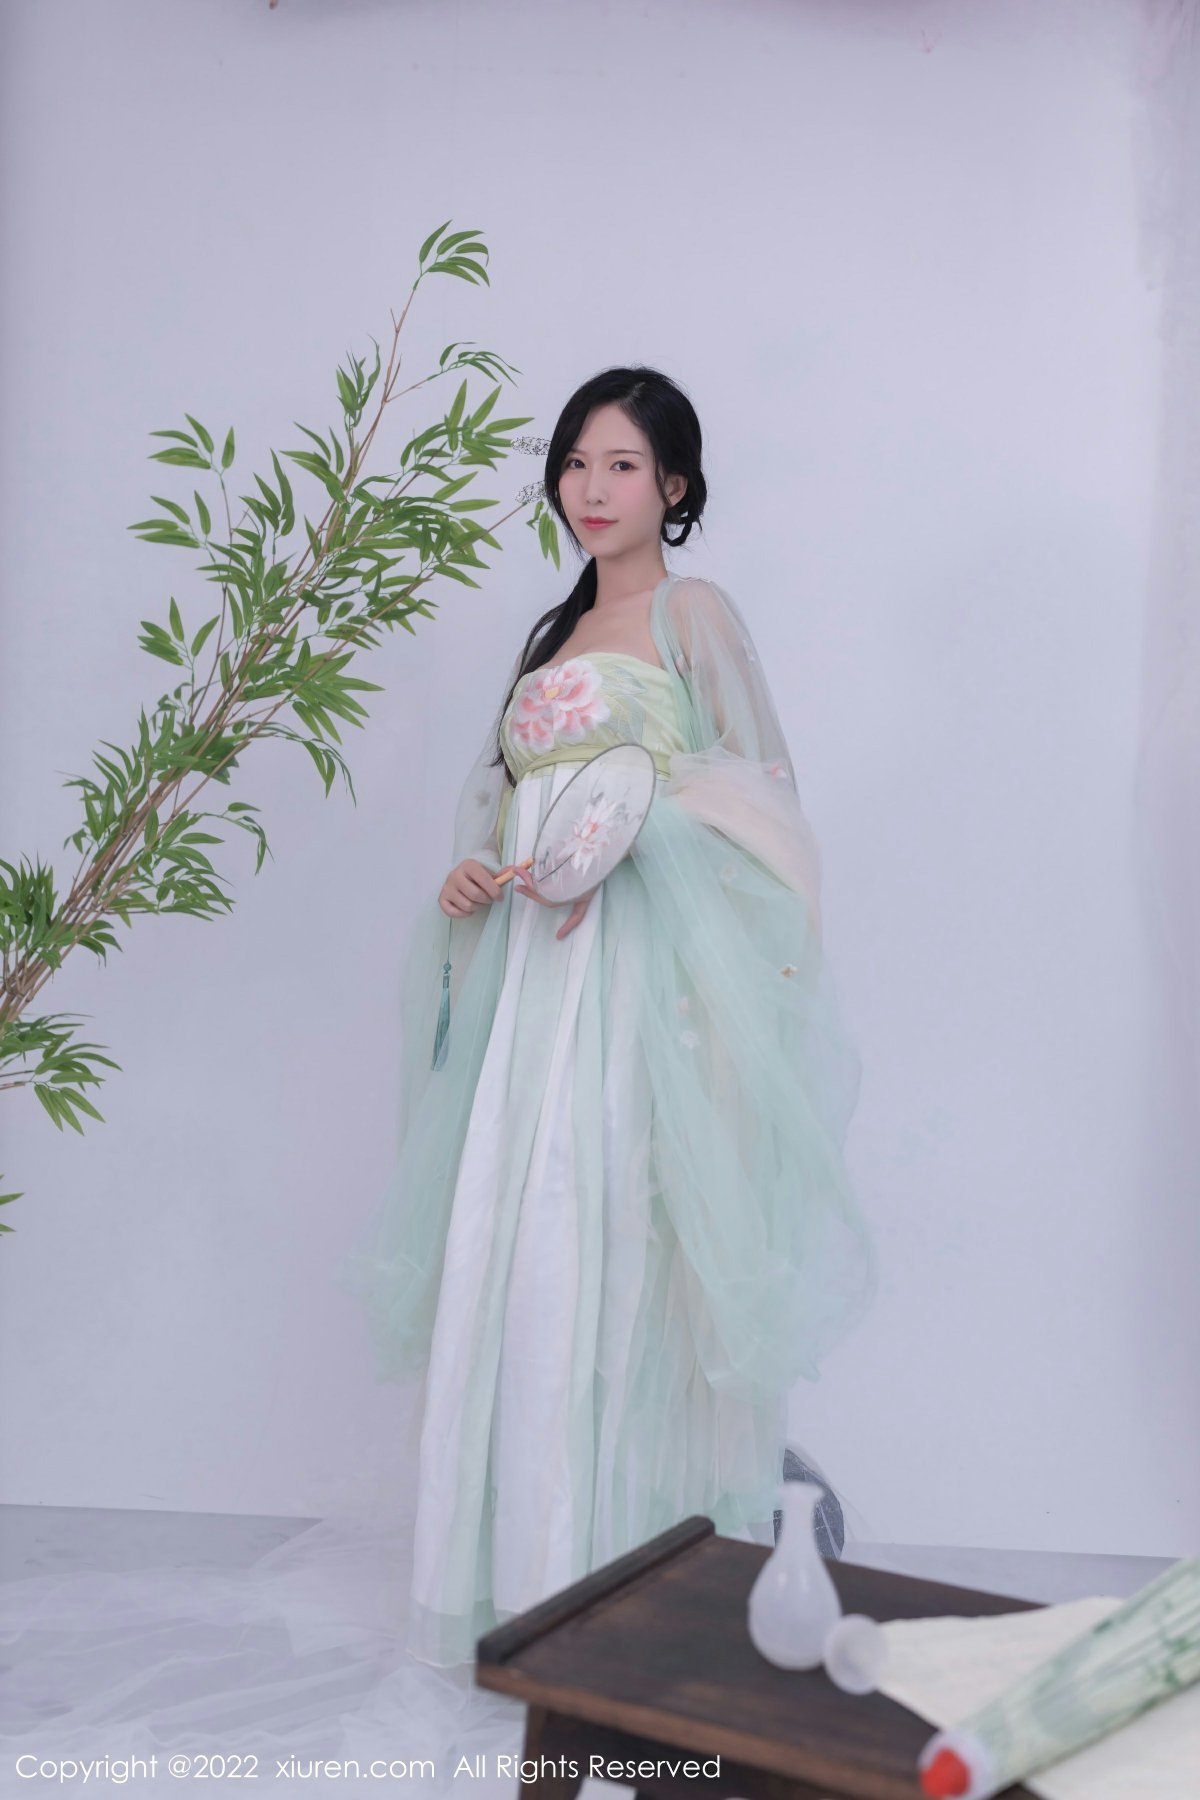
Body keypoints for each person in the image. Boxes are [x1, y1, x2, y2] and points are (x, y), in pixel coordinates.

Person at [336, 364, 877, 1669]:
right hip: (535, 982)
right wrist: (475, 874)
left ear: (674, 485)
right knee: (522, 1239)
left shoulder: (693, 613)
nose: (592, 486)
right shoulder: (552, 634)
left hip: (640, 982)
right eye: (576, 461)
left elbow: (765, 798)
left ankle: (633, 1580)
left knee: (619, 1235)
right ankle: (518, 1576)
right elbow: (507, 807)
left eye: (623, 464)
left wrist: (633, 834)